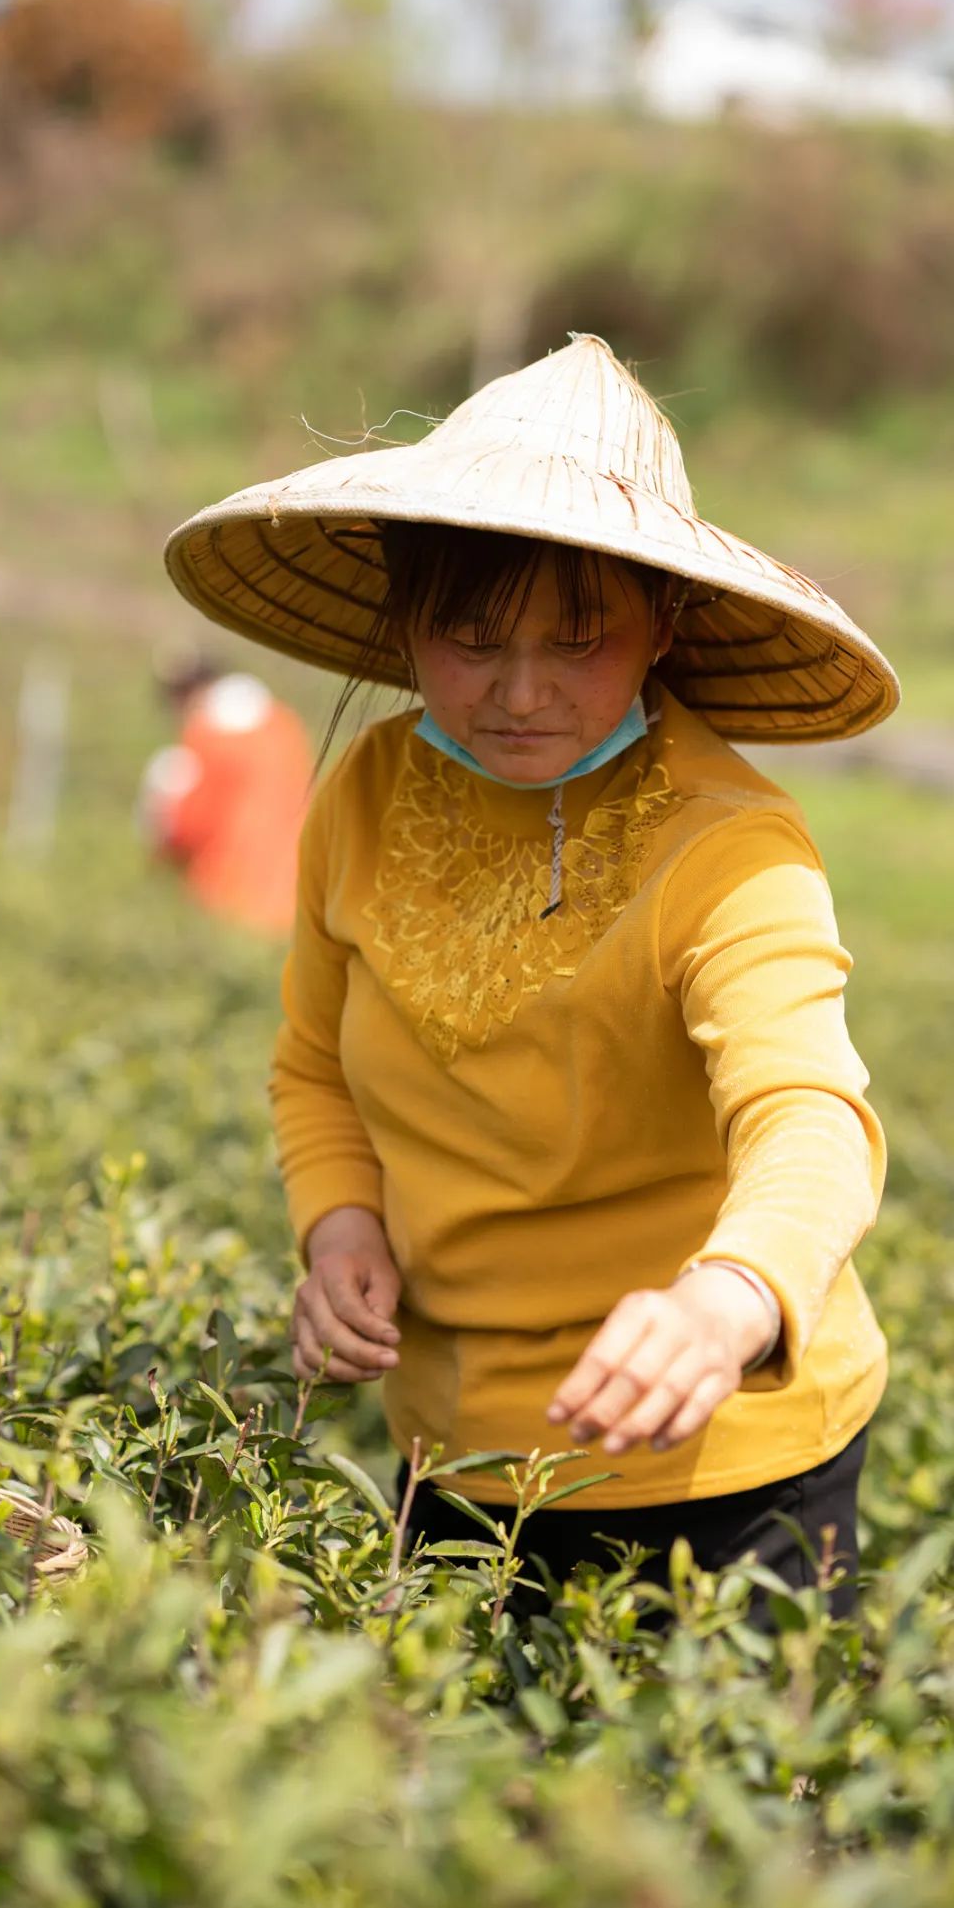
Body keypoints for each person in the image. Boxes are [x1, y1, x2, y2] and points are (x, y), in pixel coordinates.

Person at [164, 334, 900, 1621]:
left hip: (722, 1467)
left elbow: (809, 1119)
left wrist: (725, 1304)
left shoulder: (728, 842)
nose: (519, 693)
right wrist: (338, 1224)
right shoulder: (367, 790)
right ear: (407, 621)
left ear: (661, 624)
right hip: (455, 1456)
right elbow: (314, 1062)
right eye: (469, 637)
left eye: (578, 641)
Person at [140, 645, 312, 937]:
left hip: (227, 901)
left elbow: (185, 827)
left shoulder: (205, 738)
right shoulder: (283, 724)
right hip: (292, 905)